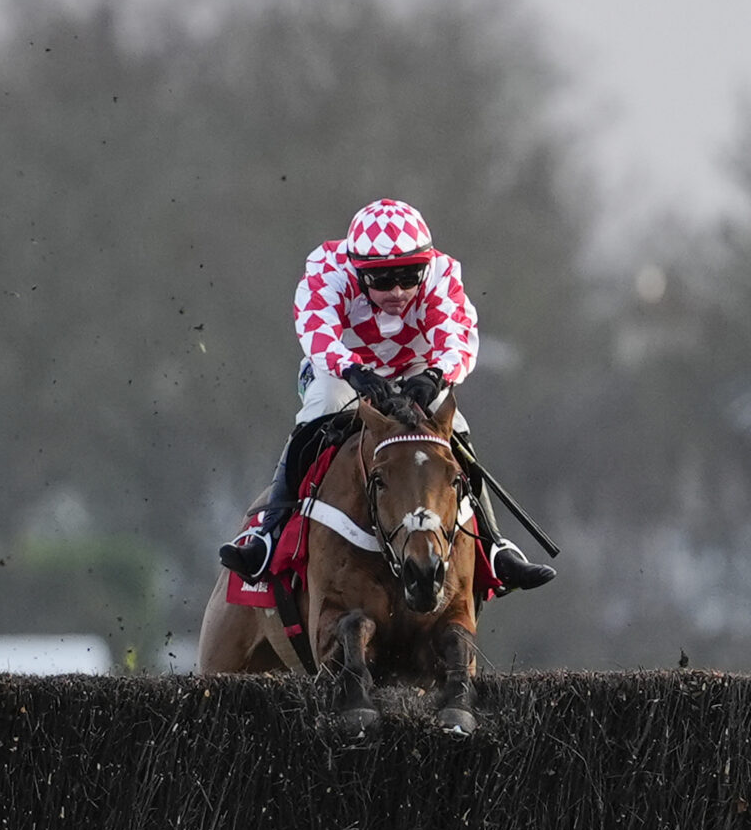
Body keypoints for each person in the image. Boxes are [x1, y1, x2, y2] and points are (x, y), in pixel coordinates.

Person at [218, 197, 553, 591]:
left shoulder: (442, 274)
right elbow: (316, 330)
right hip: (340, 368)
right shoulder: (327, 269)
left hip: (415, 369)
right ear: (358, 273)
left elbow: (457, 337)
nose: (397, 290)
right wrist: (354, 372)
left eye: (410, 276)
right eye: (381, 280)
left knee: (454, 427)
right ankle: (266, 534)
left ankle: (496, 548)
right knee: (323, 403)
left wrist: (435, 375)